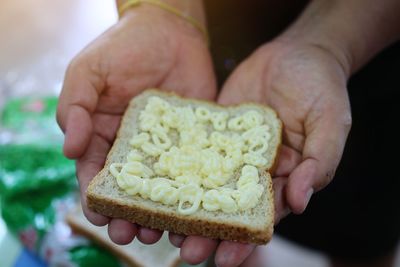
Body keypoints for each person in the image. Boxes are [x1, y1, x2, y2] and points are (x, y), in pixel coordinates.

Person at [56, 0, 400, 266]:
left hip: (362, 50)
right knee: (235, 235)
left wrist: (329, 45)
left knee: (360, 239)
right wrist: (164, 10)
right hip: (207, 32)